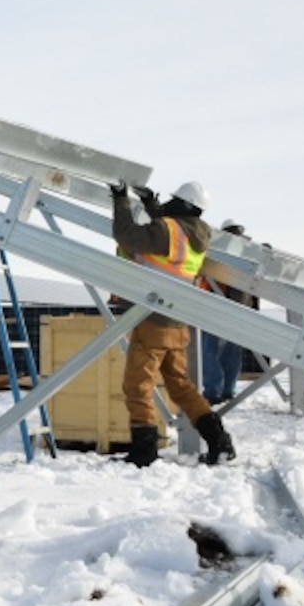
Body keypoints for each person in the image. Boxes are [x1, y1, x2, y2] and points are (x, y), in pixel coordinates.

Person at [109, 180, 235, 468]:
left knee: (137, 384)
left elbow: (127, 235)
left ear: (184, 205)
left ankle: (144, 451)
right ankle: (220, 442)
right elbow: (168, 233)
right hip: (177, 320)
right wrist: (152, 204)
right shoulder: (197, 234)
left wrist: (120, 200)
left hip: (153, 318)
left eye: (174, 200)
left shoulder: (168, 230)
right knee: (181, 386)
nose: (170, 203)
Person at [199, 220, 257, 403]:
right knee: (231, 352)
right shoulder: (250, 253)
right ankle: (226, 391)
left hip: (217, 307)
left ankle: (213, 391)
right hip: (239, 310)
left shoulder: (220, 252)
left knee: (209, 350)